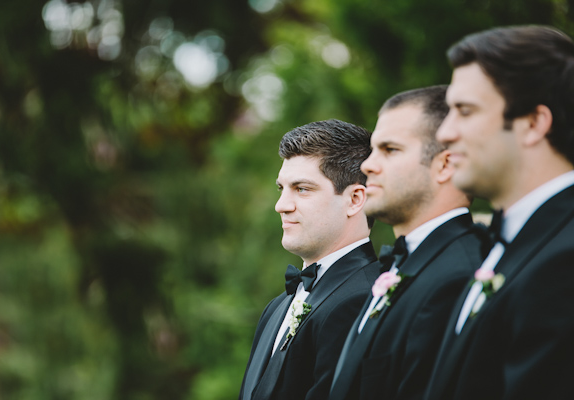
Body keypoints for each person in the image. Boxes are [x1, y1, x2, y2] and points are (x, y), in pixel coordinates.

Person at [425, 26, 574, 400]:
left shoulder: (565, 259)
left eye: (465, 111)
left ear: (533, 123)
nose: (444, 132)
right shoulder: (513, 242)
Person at [328, 85, 484, 400]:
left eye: (390, 149)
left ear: (445, 165)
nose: (368, 166)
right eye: (373, 150)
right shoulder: (405, 264)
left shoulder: (459, 275)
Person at [238, 119, 379, 400]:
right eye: (282, 189)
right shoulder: (277, 306)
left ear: (354, 199)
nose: (281, 205)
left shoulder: (364, 298)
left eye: (302, 189)